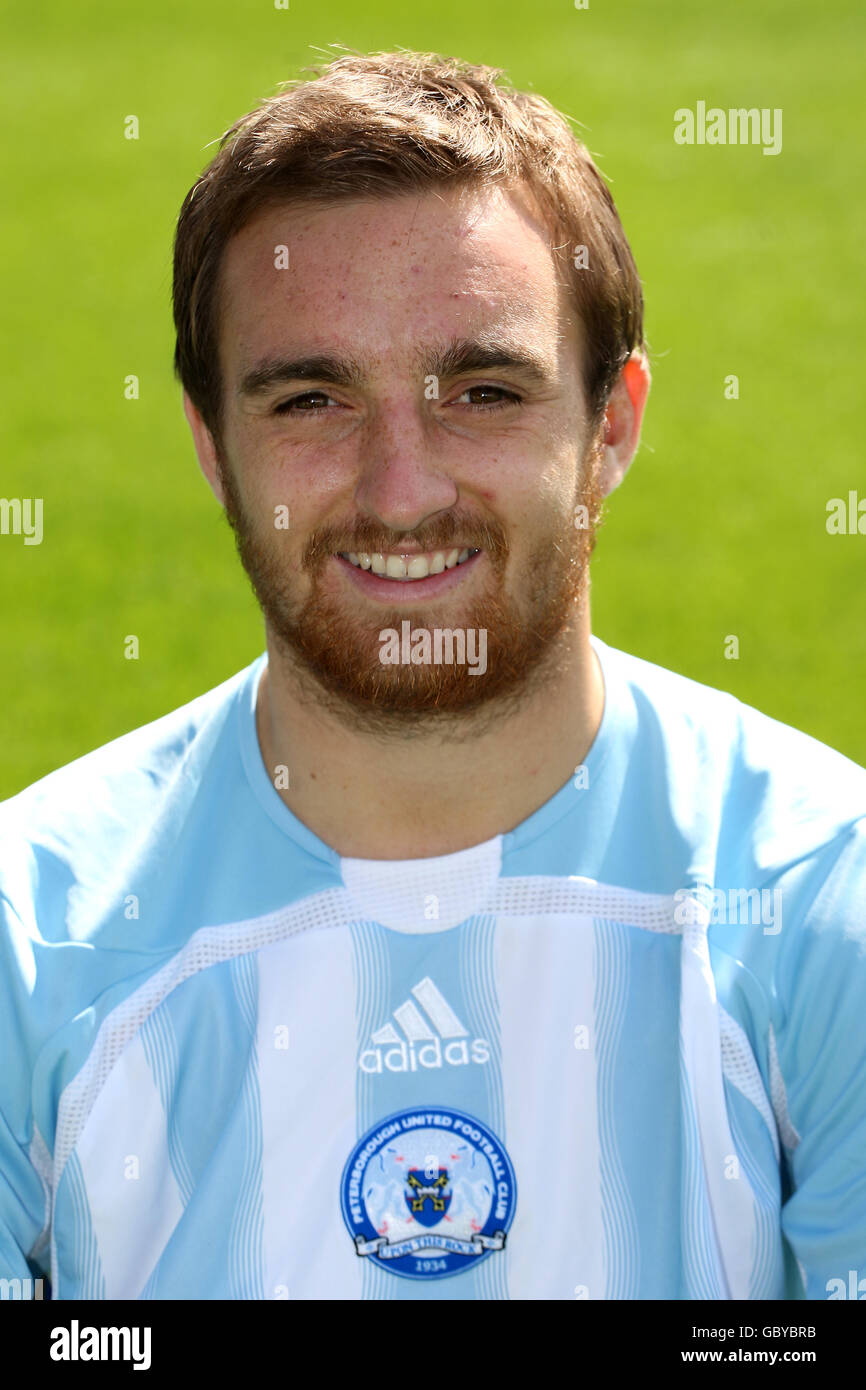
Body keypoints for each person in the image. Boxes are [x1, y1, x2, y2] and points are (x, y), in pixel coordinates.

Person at [1, 50, 864, 1302]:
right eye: (311, 398)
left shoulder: (819, 901)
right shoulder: (31, 943)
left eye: (481, 390)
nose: (401, 491)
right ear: (209, 442)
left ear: (609, 424)